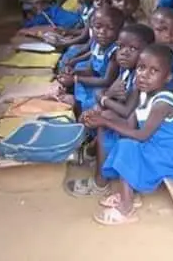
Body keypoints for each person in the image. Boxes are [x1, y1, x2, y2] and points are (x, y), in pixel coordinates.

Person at [82, 44, 173, 225]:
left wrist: (106, 121)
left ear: (168, 77)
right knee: (122, 141)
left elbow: (141, 135)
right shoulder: (144, 94)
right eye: (141, 68)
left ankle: (126, 209)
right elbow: (131, 124)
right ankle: (129, 194)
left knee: (127, 146)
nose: (144, 75)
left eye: (154, 71)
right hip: (160, 146)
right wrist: (101, 119)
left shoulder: (163, 102)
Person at [66, 24, 157, 200]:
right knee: (99, 111)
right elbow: (112, 94)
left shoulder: (142, 78)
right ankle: (94, 153)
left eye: (133, 49)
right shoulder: (126, 71)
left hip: (147, 131)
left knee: (104, 117)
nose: (124, 52)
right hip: (134, 122)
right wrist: (104, 99)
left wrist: (103, 99)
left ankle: (101, 183)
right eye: (121, 47)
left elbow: (126, 111)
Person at [58, 6, 123, 113]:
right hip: (95, 81)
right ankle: (75, 102)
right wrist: (74, 73)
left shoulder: (114, 52)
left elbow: (106, 81)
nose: (102, 32)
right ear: (91, 27)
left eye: (110, 28)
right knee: (78, 82)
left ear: (119, 30)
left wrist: (76, 78)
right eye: (98, 27)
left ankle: (78, 108)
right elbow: (91, 69)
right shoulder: (97, 44)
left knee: (94, 100)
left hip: (106, 88)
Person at [58, 0, 114, 72]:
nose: (99, 3)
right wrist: (67, 33)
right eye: (97, 0)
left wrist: (74, 58)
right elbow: (89, 44)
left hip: (97, 60)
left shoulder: (111, 23)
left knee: (72, 57)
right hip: (91, 52)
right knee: (68, 56)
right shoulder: (93, 15)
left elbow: (86, 41)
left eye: (104, 0)